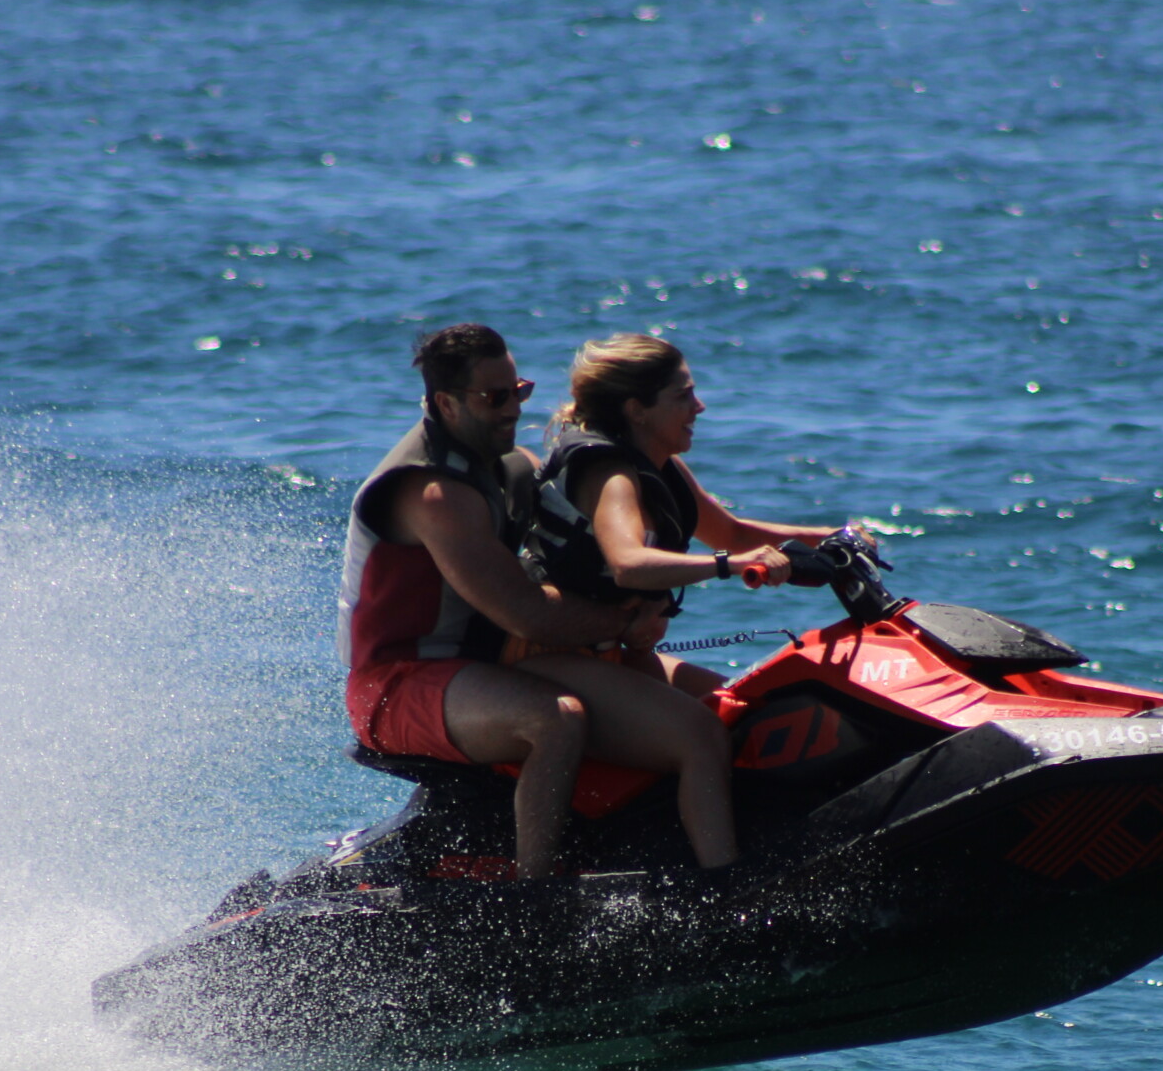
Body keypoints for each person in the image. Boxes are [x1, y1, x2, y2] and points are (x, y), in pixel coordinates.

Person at [518, 333, 836, 868]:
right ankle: (723, 888)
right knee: (701, 736)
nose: (699, 406)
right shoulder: (611, 473)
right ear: (637, 409)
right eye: (683, 396)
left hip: (612, 652)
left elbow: (731, 530)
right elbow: (627, 562)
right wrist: (730, 568)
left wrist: (827, 536)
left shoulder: (658, 461)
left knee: (749, 709)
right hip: (551, 659)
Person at [340, 323, 640, 880]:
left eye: (518, 391)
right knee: (555, 720)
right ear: (445, 403)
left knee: (667, 688)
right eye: (494, 398)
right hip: (397, 684)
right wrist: (622, 619)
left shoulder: (508, 468)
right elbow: (522, 611)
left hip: (481, 667)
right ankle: (537, 896)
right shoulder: (435, 494)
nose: (514, 409)